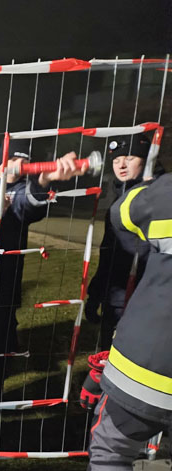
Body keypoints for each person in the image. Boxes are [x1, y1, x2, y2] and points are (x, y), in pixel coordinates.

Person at [59, 174, 172, 471]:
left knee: (112, 452)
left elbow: (122, 214)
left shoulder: (165, 195)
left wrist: (144, 182)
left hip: (150, 364)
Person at [0, 140, 85, 405]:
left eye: (25, 161)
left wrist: (43, 181)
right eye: (14, 159)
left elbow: (31, 204)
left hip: (4, 288)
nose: (19, 166)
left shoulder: (19, 193)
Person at [85, 134, 159, 350]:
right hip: (115, 300)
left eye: (130, 158)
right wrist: (96, 294)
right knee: (107, 357)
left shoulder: (160, 197)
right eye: (116, 160)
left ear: (147, 159)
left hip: (148, 301)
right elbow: (109, 254)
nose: (121, 165)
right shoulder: (118, 202)